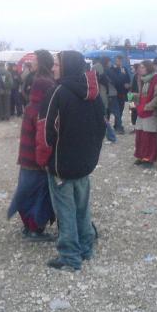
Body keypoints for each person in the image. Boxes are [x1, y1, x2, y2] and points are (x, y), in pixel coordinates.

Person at [36, 51, 106, 271]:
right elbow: (102, 127)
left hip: (61, 166)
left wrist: (43, 160)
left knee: (65, 211)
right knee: (82, 208)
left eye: (57, 64)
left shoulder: (57, 93)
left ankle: (70, 257)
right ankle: (86, 249)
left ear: (66, 66)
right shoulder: (93, 93)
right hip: (84, 164)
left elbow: (45, 131)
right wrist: (92, 155)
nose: (53, 68)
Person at [8, 50, 56, 242]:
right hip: (36, 158)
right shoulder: (42, 109)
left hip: (27, 156)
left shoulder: (31, 106)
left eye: (35, 59)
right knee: (39, 193)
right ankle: (35, 229)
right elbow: (42, 137)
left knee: (26, 191)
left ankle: (29, 226)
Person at [131, 60, 157, 167]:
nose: (140, 69)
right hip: (141, 110)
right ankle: (140, 156)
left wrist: (149, 106)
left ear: (148, 68)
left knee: (149, 136)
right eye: (140, 67)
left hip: (150, 112)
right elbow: (142, 95)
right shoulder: (142, 79)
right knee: (140, 134)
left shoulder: (155, 79)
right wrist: (134, 97)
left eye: (143, 67)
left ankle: (149, 158)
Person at [107, 56, 130, 134]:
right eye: (117, 61)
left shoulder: (124, 69)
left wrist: (127, 84)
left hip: (122, 92)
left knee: (120, 110)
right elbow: (114, 80)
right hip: (114, 93)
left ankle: (117, 125)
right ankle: (117, 127)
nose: (119, 62)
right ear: (115, 61)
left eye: (120, 61)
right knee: (114, 111)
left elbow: (127, 79)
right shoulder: (111, 69)